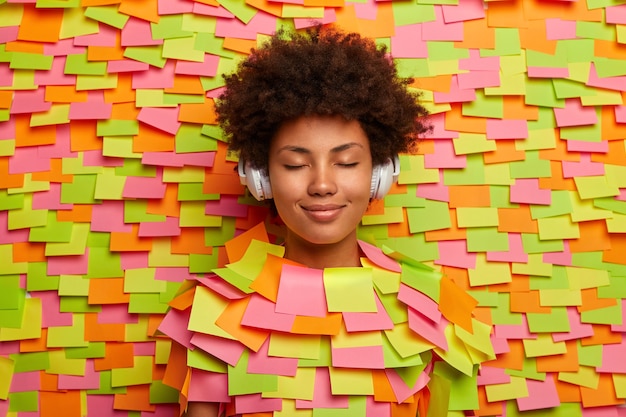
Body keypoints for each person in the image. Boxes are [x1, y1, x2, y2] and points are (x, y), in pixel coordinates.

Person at [159, 25, 493, 417]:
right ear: (261, 177)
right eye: (295, 164)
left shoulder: (433, 307)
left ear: (379, 173)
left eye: (347, 162)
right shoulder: (211, 309)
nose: (321, 184)